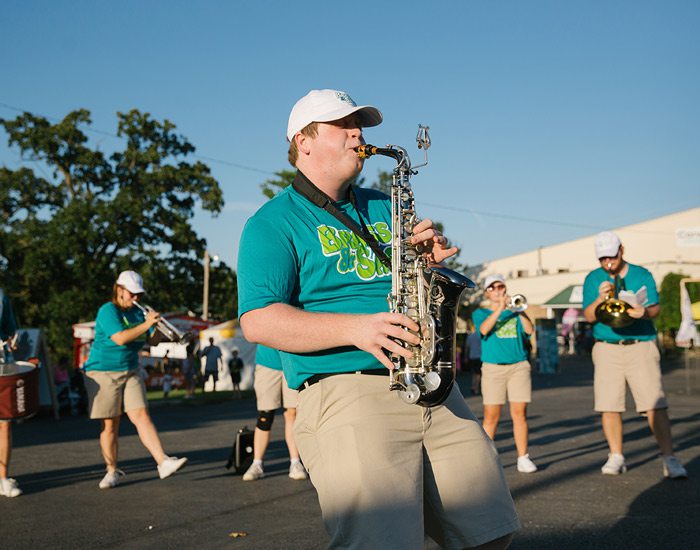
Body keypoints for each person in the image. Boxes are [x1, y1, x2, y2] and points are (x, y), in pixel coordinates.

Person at [238, 89, 518, 548]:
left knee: (489, 533)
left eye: (361, 124)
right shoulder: (272, 222)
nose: (359, 133)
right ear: (303, 141)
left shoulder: (380, 205)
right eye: (342, 124)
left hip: (429, 384)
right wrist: (357, 327)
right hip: (344, 390)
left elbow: (407, 287)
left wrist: (427, 268)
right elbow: (259, 322)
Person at [583, 231, 688, 478]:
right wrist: (600, 297)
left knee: (655, 404)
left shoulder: (642, 274)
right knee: (609, 405)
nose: (607, 262)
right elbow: (588, 316)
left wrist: (645, 312)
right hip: (607, 346)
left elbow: (656, 307)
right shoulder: (593, 278)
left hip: (640, 344)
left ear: (622, 250)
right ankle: (616, 455)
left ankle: (669, 457)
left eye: (611, 256)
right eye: (602, 259)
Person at [82, 270, 188, 489]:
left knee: (141, 414)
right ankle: (111, 471)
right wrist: (148, 323)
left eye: (138, 294)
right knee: (110, 424)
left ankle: (163, 462)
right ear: (119, 290)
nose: (136, 298)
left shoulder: (139, 314)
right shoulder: (107, 311)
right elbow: (120, 338)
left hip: (130, 369)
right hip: (103, 372)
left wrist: (167, 332)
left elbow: (151, 342)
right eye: (132, 293)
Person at [473, 274, 538, 474]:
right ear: (486, 292)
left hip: (518, 366)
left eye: (500, 286)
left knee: (519, 414)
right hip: (493, 368)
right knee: (491, 416)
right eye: (492, 288)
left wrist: (519, 311)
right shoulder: (480, 313)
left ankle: (523, 457)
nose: (497, 290)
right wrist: (500, 309)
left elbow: (530, 330)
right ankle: (486, 459)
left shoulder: (515, 312)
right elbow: (484, 330)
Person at [242, 345, 307, 481]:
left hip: (292, 359)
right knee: (265, 415)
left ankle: (295, 463)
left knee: (292, 413)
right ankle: (257, 464)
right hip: (268, 362)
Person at [0, 288, 22, 497]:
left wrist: (12, 339)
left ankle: (3, 478)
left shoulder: (1, 295)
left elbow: (10, 329)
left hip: (2, 365)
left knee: (4, 423)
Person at [465, 319, 483, 395]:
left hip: (472, 356)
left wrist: (466, 357)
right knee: (478, 373)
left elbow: (467, 347)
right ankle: (476, 388)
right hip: (479, 356)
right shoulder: (480, 336)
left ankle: (473, 386)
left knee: (474, 373)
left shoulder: (470, 337)